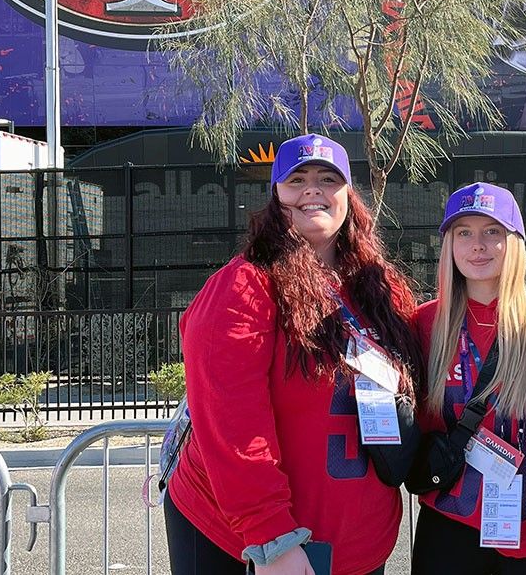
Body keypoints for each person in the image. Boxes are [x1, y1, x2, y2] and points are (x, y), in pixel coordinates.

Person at [164, 133, 423, 575]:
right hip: (243, 542)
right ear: (275, 196)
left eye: (328, 178)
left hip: (355, 546)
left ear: (347, 195)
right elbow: (232, 419)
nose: (312, 190)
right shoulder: (245, 286)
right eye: (296, 179)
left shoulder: (382, 290)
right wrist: (270, 537)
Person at [411, 183, 526, 575]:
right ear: (448, 244)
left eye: (492, 231)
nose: (477, 245)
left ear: (513, 242)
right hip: (449, 520)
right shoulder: (424, 324)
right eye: (464, 232)